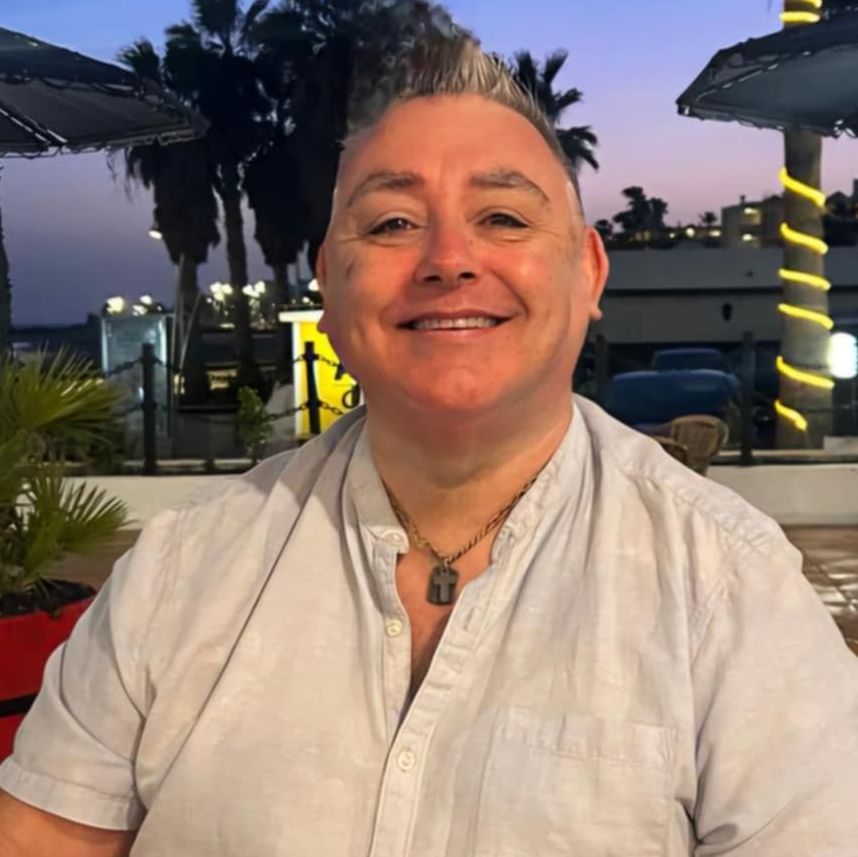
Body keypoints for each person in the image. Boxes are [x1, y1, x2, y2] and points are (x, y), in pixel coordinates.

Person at [1, 37, 857, 857]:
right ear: (330, 284)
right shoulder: (180, 568)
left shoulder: (732, 589)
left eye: (502, 215)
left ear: (589, 273)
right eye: (393, 223)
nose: (449, 259)